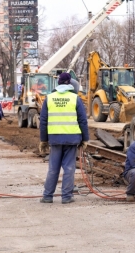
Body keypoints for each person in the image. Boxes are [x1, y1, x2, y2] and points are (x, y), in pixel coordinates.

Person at [39, 73, 89, 204]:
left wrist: (43, 140)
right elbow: (83, 121)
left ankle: (47, 196)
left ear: (58, 83)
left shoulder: (49, 98)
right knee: (69, 168)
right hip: (71, 139)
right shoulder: (75, 98)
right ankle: (66, 197)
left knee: (53, 168)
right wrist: (85, 139)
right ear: (69, 84)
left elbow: (43, 121)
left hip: (55, 139)